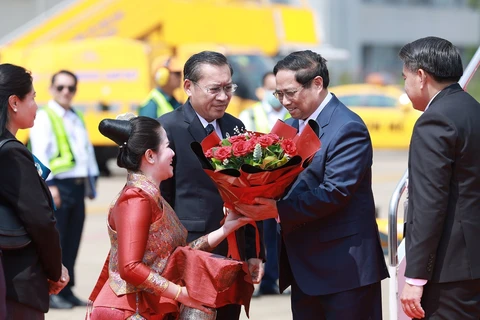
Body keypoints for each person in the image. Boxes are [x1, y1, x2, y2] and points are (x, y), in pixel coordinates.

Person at [234, 50, 389, 320]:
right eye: (278, 94)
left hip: (344, 269)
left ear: (317, 83)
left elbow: (335, 192)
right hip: (304, 268)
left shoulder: (347, 127)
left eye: (290, 93)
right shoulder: (289, 126)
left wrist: (277, 210)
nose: (284, 101)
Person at [88, 116, 254, 319]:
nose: (173, 152)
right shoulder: (135, 199)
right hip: (128, 309)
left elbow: (175, 256)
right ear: (150, 156)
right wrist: (180, 294)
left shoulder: (150, 196)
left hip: (144, 306)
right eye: (167, 146)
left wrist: (225, 229)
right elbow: (129, 268)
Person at [158, 51, 265, 320]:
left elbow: (248, 192)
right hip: (192, 250)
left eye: (228, 87)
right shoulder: (168, 128)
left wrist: (253, 252)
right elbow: (161, 200)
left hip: (233, 251)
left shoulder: (235, 127)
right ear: (188, 87)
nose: (223, 96)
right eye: (214, 89)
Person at [399, 37, 480, 319]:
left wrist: (415, 278)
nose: (405, 86)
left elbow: (429, 204)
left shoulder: (436, 120)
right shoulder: (472, 109)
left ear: (421, 76)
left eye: (405, 77)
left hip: (450, 271)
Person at [0, 63, 69, 319]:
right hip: (16, 285)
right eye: (33, 98)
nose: (37, 106)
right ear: (14, 102)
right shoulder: (11, 154)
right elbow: (40, 220)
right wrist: (55, 270)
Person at [29, 70, 100, 309]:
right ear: (51, 89)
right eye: (60, 87)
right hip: (58, 187)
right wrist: (49, 186)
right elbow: (39, 153)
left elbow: (85, 153)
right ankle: (52, 291)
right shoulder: (45, 116)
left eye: (70, 87)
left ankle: (67, 289)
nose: (66, 92)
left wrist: (90, 184)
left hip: (77, 187)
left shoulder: (75, 116)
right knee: (56, 243)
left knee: (72, 241)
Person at [239, 71, 289, 297]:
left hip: (285, 186)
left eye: (278, 90)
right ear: (262, 90)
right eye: (270, 89)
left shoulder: (292, 114)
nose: (274, 94)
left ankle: (275, 278)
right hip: (257, 187)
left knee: (279, 236)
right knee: (260, 235)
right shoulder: (250, 114)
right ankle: (259, 278)